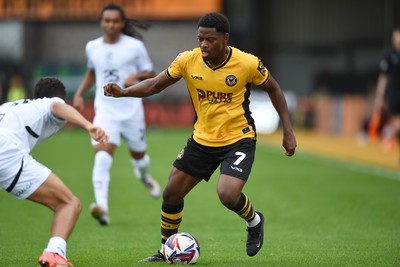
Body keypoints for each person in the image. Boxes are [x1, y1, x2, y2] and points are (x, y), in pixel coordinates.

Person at [104, 12, 297, 261]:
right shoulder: (187, 60)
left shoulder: (247, 63)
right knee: (171, 193)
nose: (204, 44)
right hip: (202, 139)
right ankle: (166, 251)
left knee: (227, 195)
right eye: (200, 39)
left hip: (238, 138)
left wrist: (288, 130)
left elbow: (274, 88)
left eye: (210, 40)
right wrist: (124, 92)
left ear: (225, 38)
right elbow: (154, 85)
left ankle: (254, 220)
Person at [0, 77, 108, 267]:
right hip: (6, 152)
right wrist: (88, 125)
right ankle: (54, 254)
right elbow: (57, 106)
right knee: (69, 204)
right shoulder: (51, 103)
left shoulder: (12, 106)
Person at [73, 3, 161, 226]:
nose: (110, 24)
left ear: (122, 24)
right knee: (102, 156)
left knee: (139, 157)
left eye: (115, 21)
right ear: (102, 22)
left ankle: (143, 177)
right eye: (107, 20)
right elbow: (93, 71)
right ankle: (101, 206)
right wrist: (80, 94)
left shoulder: (134, 46)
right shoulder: (92, 47)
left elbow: (151, 73)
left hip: (131, 111)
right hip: (106, 112)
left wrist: (137, 76)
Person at [372, 27, 400, 156]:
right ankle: (388, 135)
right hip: (394, 93)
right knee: (395, 120)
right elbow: (383, 78)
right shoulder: (390, 57)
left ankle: (388, 134)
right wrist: (380, 96)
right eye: (396, 38)